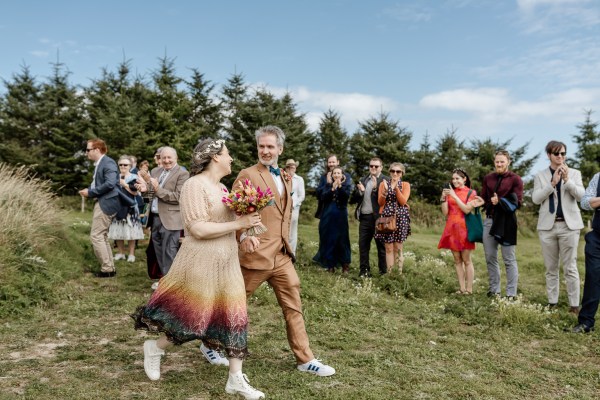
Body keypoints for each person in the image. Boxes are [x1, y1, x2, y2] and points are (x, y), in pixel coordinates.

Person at [132, 139, 266, 399]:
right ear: (215, 157)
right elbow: (198, 229)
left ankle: (235, 379)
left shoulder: (223, 188)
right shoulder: (194, 185)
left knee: (235, 316)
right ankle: (155, 348)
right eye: (228, 154)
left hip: (227, 262)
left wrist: (244, 236)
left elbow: (227, 224)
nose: (231, 159)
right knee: (191, 319)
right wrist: (239, 225)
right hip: (200, 261)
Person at [224, 125, 335, 377]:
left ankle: (305, 359)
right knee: (233, 305)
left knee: (293, 307)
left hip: (283, 255)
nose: (265, 150)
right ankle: (209, 344)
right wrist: (242, 237)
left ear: (280, 149)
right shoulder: (247, 174)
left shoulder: (286, 176)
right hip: (255, 255)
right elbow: (234, 211)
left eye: (270, 146)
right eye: (261, 146)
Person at [532, 141, 585, 313]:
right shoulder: (540, 175)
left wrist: (567, 180)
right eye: (556, 154)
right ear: (549, 155)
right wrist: (552, 183)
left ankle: (574, 305)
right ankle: (552, 302)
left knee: (570, 266)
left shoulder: (575, 173)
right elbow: (536, 199)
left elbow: (581, 197)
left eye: (563, 153)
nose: (560, 156)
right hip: (548, 227)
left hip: (569, 226)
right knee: (550, 267)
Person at [481, 150, 523, 299]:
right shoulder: (488, 178)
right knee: (490, 256)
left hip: (507, 222)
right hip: (490, 220)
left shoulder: (515, 179)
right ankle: (494, 290)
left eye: (502, 162)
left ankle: (511, 294)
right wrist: (479, 202)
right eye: (497, 162)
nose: (499, 164)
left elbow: (517, 202)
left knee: (508, 258)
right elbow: (484, 198)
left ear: (508, 162)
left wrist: (500, 202)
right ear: (494, 162)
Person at [438, 169, 485, 294]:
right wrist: (443, 198)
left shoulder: (471, 192)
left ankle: (469, 289)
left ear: (464, 179)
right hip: (451, 228)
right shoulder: (450, 192)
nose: (454, 181)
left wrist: (454, 196)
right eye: (453, 179)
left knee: (466, 259)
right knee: (457, 260)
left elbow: (466, 210)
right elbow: (445, 212)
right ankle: (461, 288)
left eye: (457, 178)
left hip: (465, 229)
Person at [79, 139, 121, 278]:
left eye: (88, 150)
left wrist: (91, 193)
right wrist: (89, 189)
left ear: (97, 150)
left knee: (96, 236)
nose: (86, 153)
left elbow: (110, 183)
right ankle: (109, 268)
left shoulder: (107, 162)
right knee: (101, 236)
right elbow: (102, 183)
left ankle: (107, 269)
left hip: (106, 203)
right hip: (104, 202)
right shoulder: (100, 163)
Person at [147, 147, 189, 278]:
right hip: (154, 217)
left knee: (169, 252)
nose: (166, 160)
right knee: (158, 250)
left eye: (169, 157)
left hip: (171, 219)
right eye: (163, 158)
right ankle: (165, 279)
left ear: (176, 158)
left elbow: (177, 197)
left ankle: (172, 285)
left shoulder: (182, 174)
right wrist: (143, 189)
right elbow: (149, 193)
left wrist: (157, 189)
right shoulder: (155, 171)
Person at [571, 171, 600, 333]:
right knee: (593, 278)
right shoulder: (598, 177)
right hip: (597, 236)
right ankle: (586, 322)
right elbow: (585, 202)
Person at [350, 157, 388, 277]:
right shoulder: (363, 179)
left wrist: (376, 188)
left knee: (381, 247)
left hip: (379, 218)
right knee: (363, 246)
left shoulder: (385, 180)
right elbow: (353, 199)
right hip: (365, 218)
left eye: (376, 166)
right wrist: (360, 191)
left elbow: (387, 200)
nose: (373, 168)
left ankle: (383, 273)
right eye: (371, 166)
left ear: (381, 167)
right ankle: (364, 272)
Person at [312, 166, 352, 273]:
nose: (336, 175)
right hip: (328, 215)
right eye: (335, 173)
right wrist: (332, 188)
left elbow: (346, 196)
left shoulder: (346, 185)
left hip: (341, 216)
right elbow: (323, 197)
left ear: (342, 175)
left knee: (342, 239)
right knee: (329, 238)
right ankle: (330, 265)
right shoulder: (328, 185)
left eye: (339, 173)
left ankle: (345, 264)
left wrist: (339, 187)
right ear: (332, 175)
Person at [374, 162, 411, 273]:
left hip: (401, 218)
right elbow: (380, 203)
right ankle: (390, 274)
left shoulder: (405, 185)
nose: (395, 173)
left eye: (398, 171)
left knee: (398, 247)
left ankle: (398, 273)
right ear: (389, 172)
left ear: (402, 173)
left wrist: (395, 188)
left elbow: (403, 201)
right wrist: (385, 191)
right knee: (388, 248)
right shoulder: (383, 184)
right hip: (387, 218)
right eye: (392, 171)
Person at [108, 155, 145, 262]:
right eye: (121, 165)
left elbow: (136, 192)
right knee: (118, 230)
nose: (123, 166)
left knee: (131, 231)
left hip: (131, 208)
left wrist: (125, 185)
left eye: (125, 165)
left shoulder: (134, 177)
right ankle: (120, 253)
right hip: (117, 207)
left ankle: (131, 254)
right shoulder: (115, 177)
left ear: (130, 165)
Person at [285, 159, 305, 254]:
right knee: (284, 230)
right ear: (287, 168)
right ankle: (283, 251)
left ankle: (292, 253)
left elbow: (301, 195)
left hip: (294, 208)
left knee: (292, 231)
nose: (292, 169)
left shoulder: (299, 179)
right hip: (283, 207)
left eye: (294, 167)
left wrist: (293, 204)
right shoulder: (283, 177)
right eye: (290, 167)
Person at [315, 154, 342, 219]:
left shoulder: (345, 176)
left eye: (333, 162)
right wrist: (328, 184)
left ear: (338, 162)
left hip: (339, 211)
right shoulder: (323, 177)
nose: (331, 164)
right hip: (325, 211)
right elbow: (318, 194)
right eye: (329, 162)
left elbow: (345, 194)